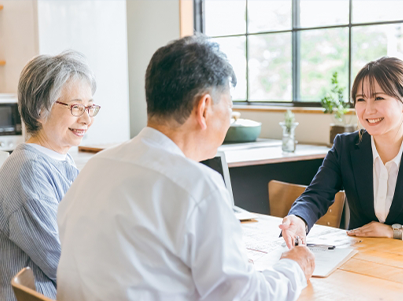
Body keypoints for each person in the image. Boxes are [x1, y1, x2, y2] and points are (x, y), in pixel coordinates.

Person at [57, 34, 314, 301]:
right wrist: (294, 267)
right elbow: (246, 297)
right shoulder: (197, 186)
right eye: (229, 106)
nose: (228, 118)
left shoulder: (94, 168)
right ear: (204, 108)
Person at [280, 57, 403, 250]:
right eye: (361, 99)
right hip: (357, 260)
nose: (368, 109)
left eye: (379, 98)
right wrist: (299, 219)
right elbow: (316, 195)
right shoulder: (345, 147)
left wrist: (394, 231)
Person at [0, 51, 100, 301]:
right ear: (39, 109)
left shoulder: (60, 159)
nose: (87, 119)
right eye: (76, 107)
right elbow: (63, 261)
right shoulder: (27, 170)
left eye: (90, 107)